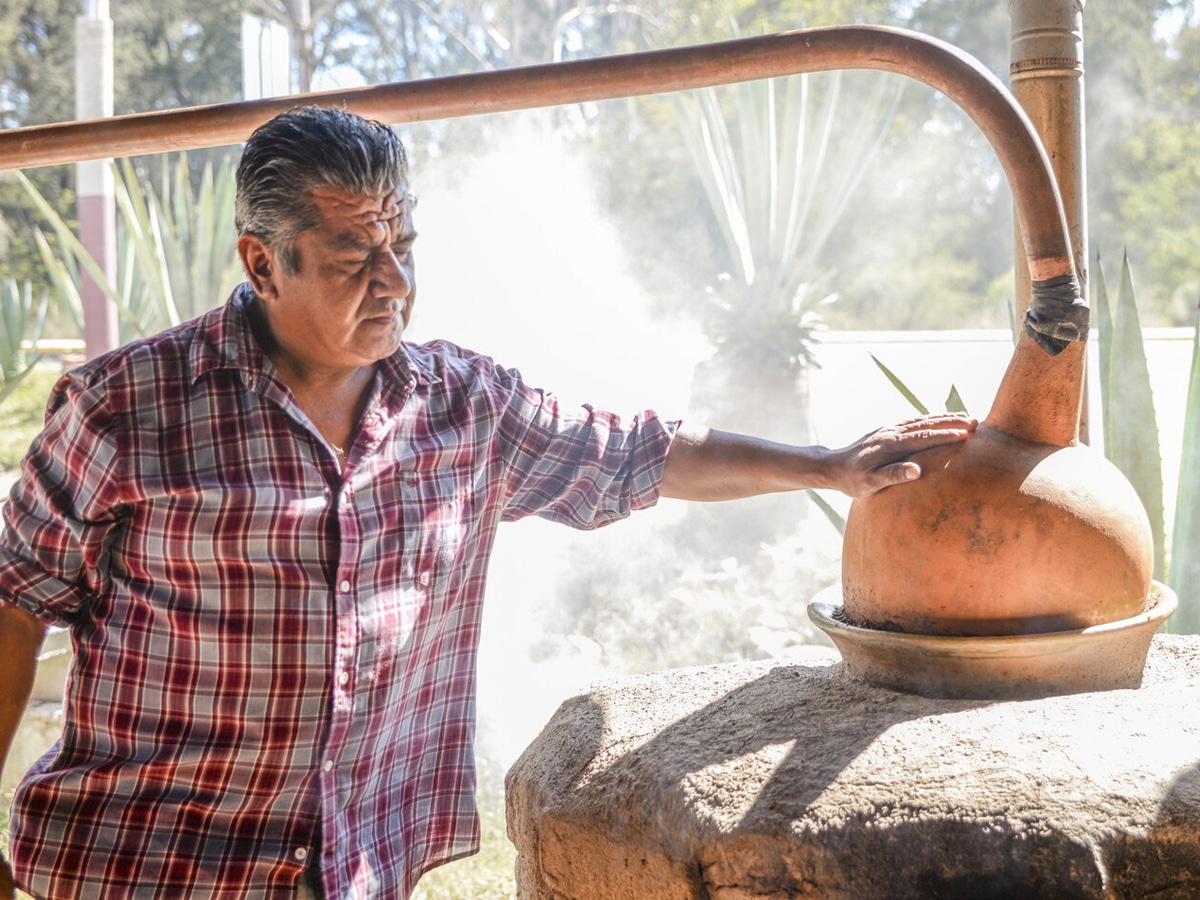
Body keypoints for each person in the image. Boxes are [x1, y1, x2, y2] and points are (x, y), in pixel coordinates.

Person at [0, 105, 975, 899]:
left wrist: (829, 464)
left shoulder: (464, 410)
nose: (396, 282)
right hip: (141, 873)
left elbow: (640, 455)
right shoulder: (120, 412)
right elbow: (13, 604)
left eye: (405, 245)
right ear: (263, 264)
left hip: (351, 876)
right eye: (353, 257)